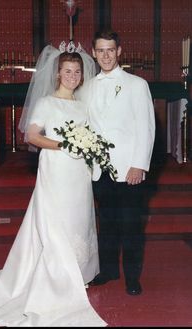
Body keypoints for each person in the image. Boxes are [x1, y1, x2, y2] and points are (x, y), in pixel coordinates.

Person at [0, 45, 107, 327]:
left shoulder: (84, 105)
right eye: (67, 71)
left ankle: (78, 274)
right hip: (57, 170)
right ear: (58, 74)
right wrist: (64, 144)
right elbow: (32, 136)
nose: (72, 76)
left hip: (79, 174)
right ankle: (55, 280)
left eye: (77, 72)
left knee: (79, 218)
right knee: (56, 221)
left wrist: (88, 148)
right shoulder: (46, 103)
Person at [76, 30, 155, 296]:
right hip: (99, 170)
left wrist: (139, 164)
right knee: (106, 223)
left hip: (128, 168)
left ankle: (133, 277)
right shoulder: (85, 88)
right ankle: (109, 270)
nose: (106, 56)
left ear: (119, 51)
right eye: (100, 51)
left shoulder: (136, 84)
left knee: (131, 224)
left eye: (111, 50)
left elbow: (146, 127)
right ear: (94, 53)